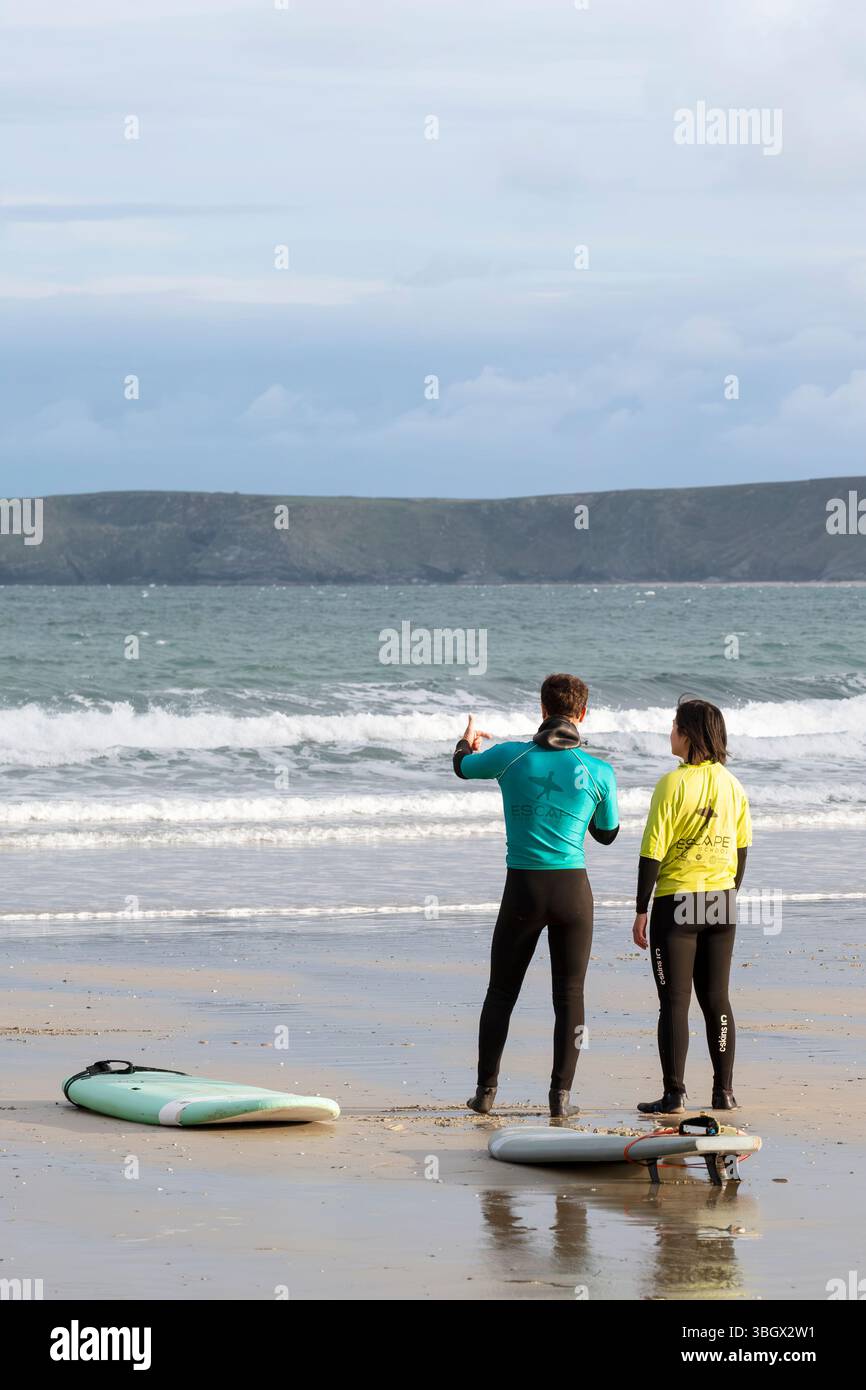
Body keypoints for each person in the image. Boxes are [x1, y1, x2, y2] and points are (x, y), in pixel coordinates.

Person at [453, 673, 619, 1118]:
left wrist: (467, 741)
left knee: (501, 992)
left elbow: (462, 767)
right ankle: (560, 1098)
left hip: (523, 890)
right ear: (582, 714)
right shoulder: (599, 771)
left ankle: (485, 1093)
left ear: (542, 709)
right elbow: (606, 834)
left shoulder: (509, 756)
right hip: (573, 894)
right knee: (570, 995)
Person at [632, 698, 752, 1115]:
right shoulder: (733, 785)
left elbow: (652, 851)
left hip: (677, 903)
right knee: (717, 999)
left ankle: (674, 1094)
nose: (670, 733)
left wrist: (640, 909)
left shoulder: (672, 784)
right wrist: (724, 894)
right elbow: (741, 851)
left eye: (674, 726)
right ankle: (725, 1092)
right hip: (721, 902)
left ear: (689, 734)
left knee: (675, 1003)